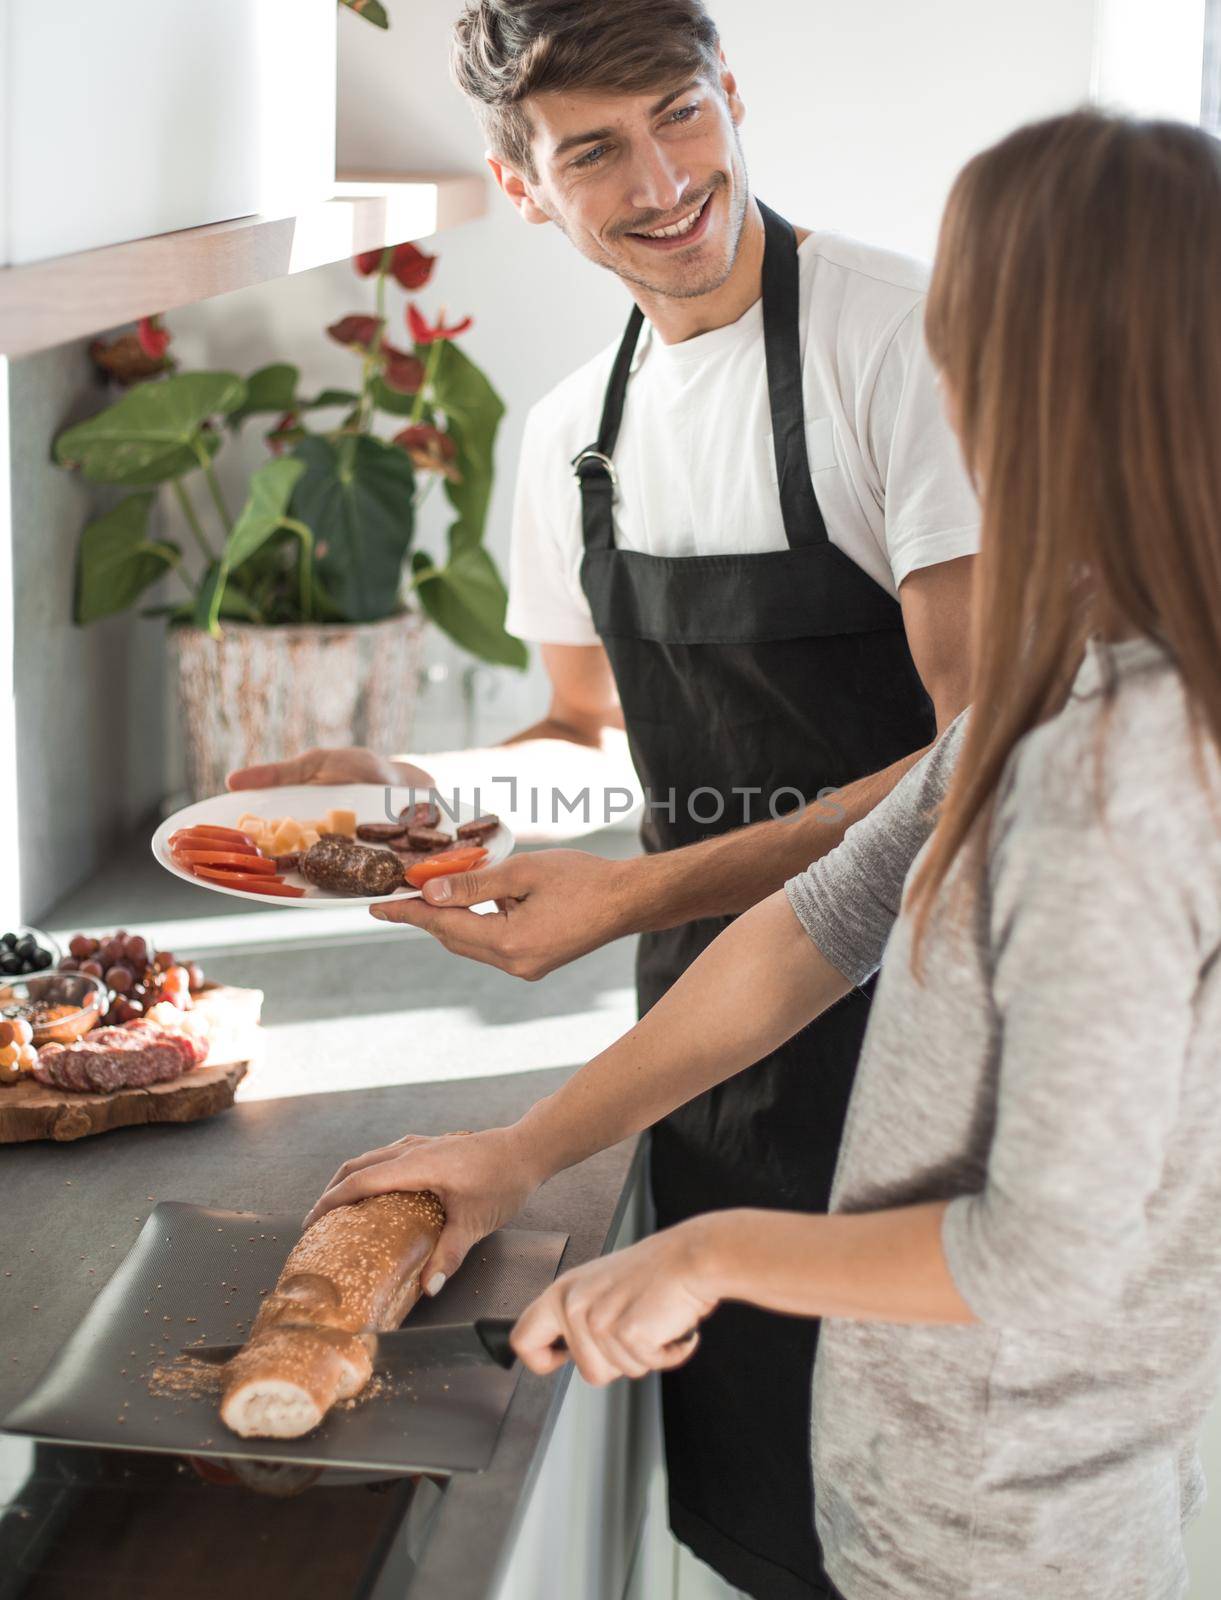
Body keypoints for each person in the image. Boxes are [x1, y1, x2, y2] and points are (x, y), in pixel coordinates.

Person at [306, 111, 1221, 1598]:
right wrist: (521, 1152)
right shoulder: (1066, 676)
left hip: (1010, 1531)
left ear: (1020, 373)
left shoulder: (1114, 779)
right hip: (928, 1478)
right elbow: (820, 919)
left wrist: (705, 1254)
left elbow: (1047, 1260)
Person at [233, 4, 978, 1593]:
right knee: (767, 1516)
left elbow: (978, 760)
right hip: (710, 1047)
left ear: (728, 97)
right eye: (594, 152)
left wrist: (636, 896)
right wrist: (417, 785)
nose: (662, 180)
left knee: (927, 1516)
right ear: (523, 187)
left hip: (926, 1022)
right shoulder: (578, 431)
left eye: (681, 116)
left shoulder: (898, 347)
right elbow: (587, 738)